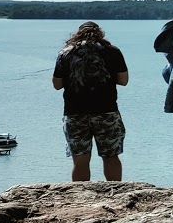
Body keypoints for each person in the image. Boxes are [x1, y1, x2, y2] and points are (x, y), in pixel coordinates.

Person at [51, 22, 130, 181]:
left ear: (77, 35)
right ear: (100, 33)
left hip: (75, 114)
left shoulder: (66, 53)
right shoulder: (112, 52)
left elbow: (57, 85)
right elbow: (123, 80)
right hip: (107, 112)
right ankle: (114, 192)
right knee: (111, 157)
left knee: (80, 161)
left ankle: (80, 197)